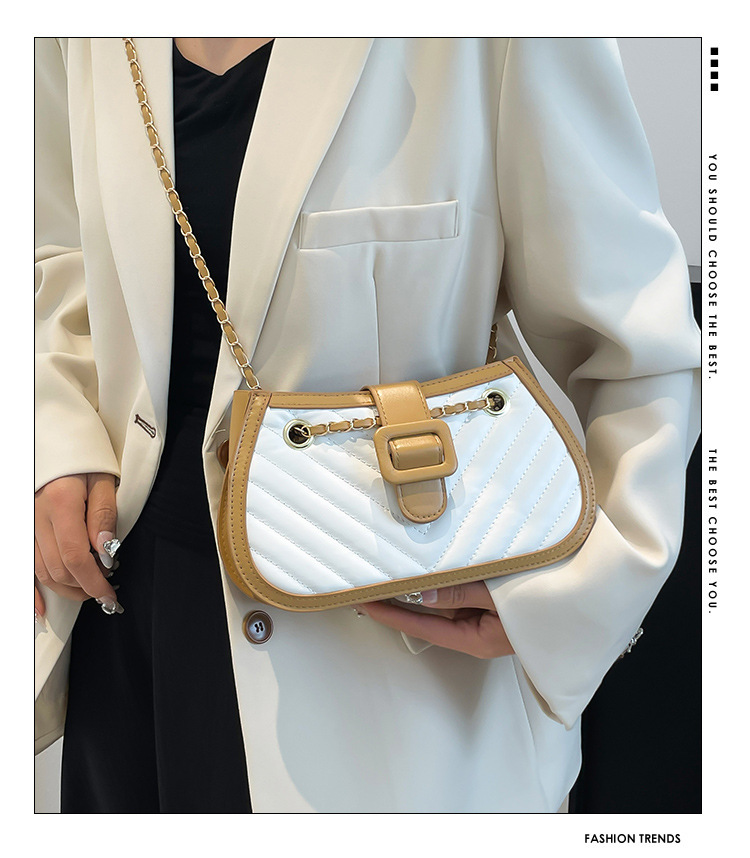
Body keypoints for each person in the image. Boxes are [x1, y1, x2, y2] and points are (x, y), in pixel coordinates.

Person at [35, 37, 701, 813]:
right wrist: (54, 439)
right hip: (123, 620)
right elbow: (51, 253)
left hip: (392, 671)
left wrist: (570, 599)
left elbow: (638, 346)